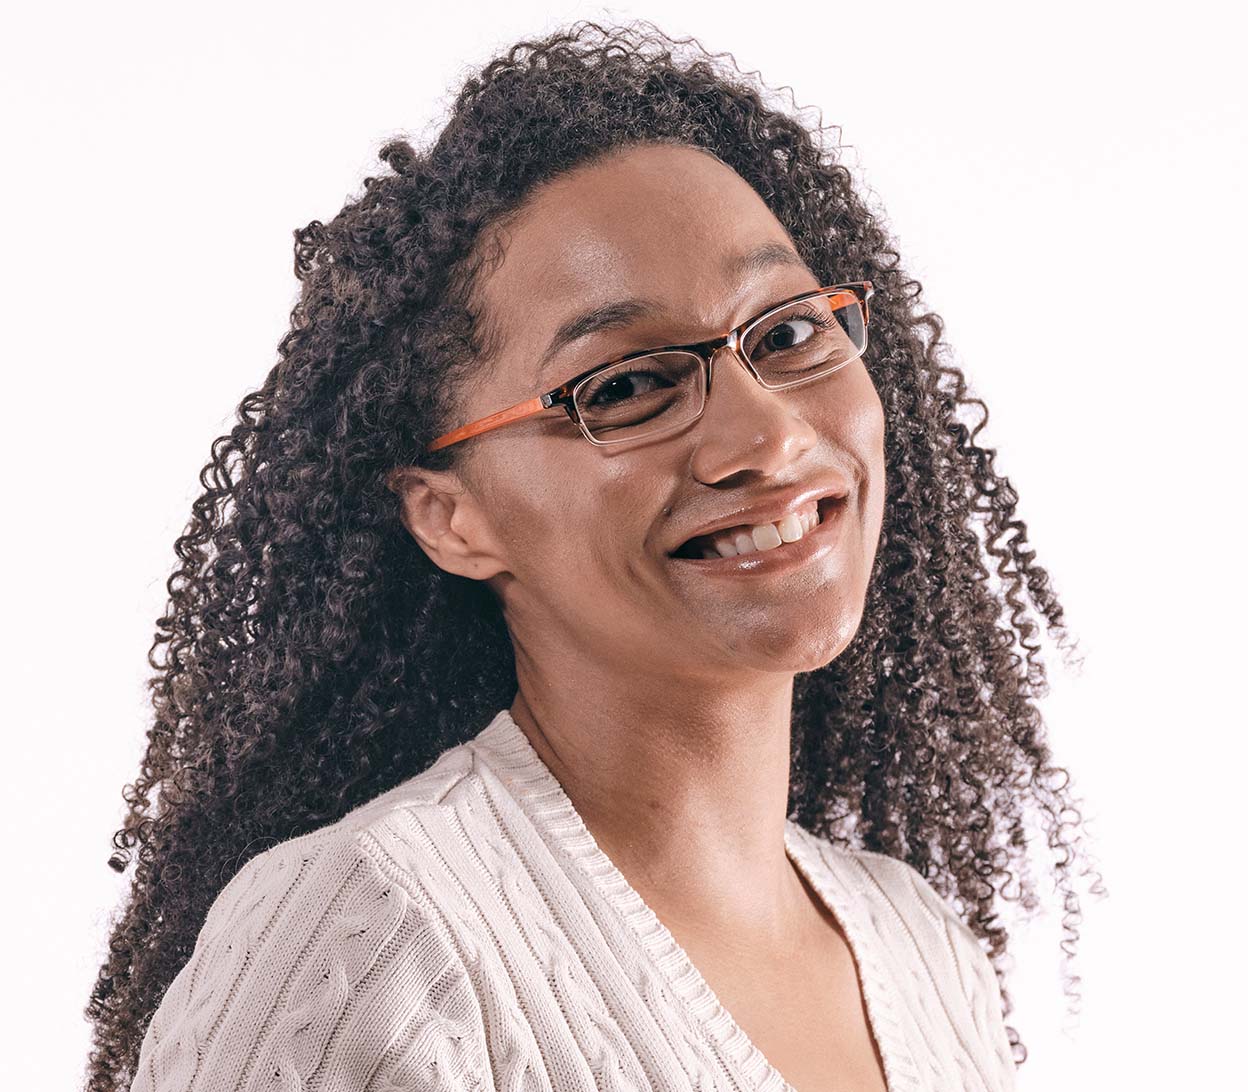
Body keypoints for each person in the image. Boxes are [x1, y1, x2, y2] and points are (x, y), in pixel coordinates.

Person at [85, 19, 1099, 1092]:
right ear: (450, 515)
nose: (770, 438)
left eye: (789, 333)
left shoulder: (919, 950)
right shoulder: (374, 930)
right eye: (623, 387)